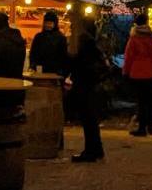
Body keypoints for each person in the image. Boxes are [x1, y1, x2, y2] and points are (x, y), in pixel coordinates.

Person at [67, 17, 107, 162]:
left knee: (88, 118)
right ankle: (96, 149)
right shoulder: (91, 42)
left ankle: (91, 151)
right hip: (90, 84)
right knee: (91, 119)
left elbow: (79, 63)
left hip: (85, 83)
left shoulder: (84, 42)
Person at [122, 13, 152, 136]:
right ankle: (151, 124)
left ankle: (142, 128)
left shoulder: (134, 39)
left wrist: (125, 72)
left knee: (141, 101)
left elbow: (128, 57)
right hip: (150, 71)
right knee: (149, 99)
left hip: (137, 72)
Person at [28, 11, 68, 76]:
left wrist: (61, 70)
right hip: (39, 69)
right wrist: (32, 65)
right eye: (46, 23)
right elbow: (33, 53)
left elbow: (63, 56)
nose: (47, 25)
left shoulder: (61, 38)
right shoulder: (38, 36)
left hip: (55, 71)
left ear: (55, 24)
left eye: (50, 23)